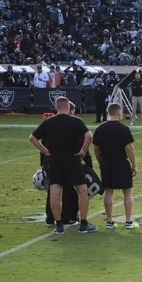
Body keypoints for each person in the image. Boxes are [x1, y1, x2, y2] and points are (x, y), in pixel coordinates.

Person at [29, 96, 97, 234]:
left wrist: (45, 151)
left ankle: (59, 225)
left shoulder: (49, 122)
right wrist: (83, 151)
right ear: (68, 107)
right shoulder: (76, 121)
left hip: (55, 160)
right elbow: (89, 136)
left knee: (55, 192)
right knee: (82, 191)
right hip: (73, 159)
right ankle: (83, 224)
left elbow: (33, 138)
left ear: (56, 107)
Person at [93, 102, 138, 230]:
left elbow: (96, 149)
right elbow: (130, 148)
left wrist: (101, 162)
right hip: (121, 162)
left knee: (109, 191)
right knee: (127, 192)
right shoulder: (123, 128)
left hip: (106, 162)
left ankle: (109, 221)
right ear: (119, 113)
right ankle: (128, 221)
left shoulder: (100, 128)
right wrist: (134, 165)